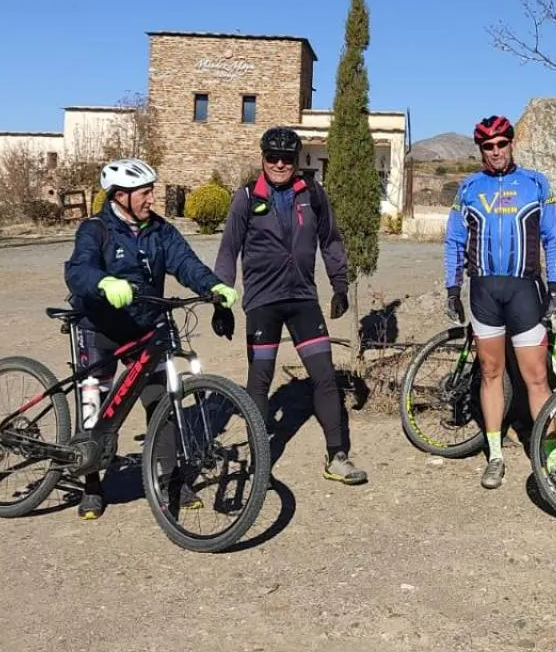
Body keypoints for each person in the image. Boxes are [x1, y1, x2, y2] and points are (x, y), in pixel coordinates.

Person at [63, 158, 238, 521]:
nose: (152, 198)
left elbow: (186, 264)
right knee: (94, 403)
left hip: (145, 327)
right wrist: (103, 283)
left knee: (162, 403)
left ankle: (171, 479)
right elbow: (79, 268)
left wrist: (214, 287)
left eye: (151, 190)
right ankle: (92, 483)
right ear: (122, 195)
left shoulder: (160, 231)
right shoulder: (96, 229)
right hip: (100, 327)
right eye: (146, 192)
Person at [214, 126, 367, 485]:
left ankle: (337, 457)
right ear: (262, 158)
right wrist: (221, 300)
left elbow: (330, 240)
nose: (280, 164)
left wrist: (340, 286)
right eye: (273, 157)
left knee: (325, 376)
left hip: (302, 299)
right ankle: (258, 464)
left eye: (287, 158)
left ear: (296, 161)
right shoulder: (248, 197)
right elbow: (228, 251)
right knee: (260, 379)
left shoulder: (312, 193)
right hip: (262, 302)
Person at [444, 114, 556, 490]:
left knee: (537, 379)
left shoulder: (534, 183)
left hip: (525, 291)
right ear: (481, 150)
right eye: (488, 146)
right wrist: (452, 288)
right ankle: (495, 456)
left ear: (511, 144)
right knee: (491, 374)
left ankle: (552, 461)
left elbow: (554, 238)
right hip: (484, 293)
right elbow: (453, 242)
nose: (496, 151)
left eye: (501, 144)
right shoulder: (468, 188)